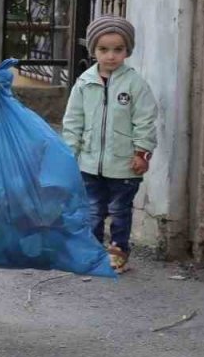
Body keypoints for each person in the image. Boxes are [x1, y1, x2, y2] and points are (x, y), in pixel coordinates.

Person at [60, 16, 158, 273]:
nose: (111, 56)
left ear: (127, 51)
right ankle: (91, 253)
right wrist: (70, 155)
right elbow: (73, 122)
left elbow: (145, 120)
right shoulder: (83, 83)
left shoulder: (135, 84)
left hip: (124, 165)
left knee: (119, 210)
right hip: (89, 164)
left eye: (118, 50)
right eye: (104, 49)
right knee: (92, 210)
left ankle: (117, 251)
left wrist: (141, 153)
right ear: (93, 50)